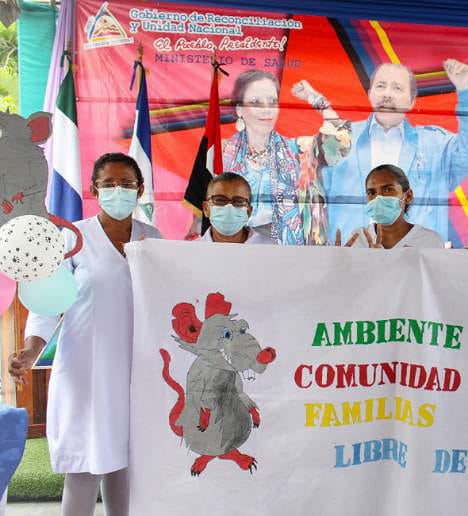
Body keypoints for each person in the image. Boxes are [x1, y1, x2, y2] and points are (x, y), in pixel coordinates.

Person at [7, 153, 162, 516]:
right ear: (94, 189)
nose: (118, 190)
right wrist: (31, 350)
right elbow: (47, 304)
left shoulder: (152, 238)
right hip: (86, 371)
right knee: (84, 464)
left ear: (140, 189)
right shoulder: (72, 238)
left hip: (136, 371)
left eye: (127, 183)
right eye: (109, 183)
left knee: (125, 464)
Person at [323, 59, 468, 241]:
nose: (387, 94)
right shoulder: (340, 139)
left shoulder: (435, 144)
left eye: (397, 88)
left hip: (416, 253)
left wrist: (464, 91)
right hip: (352, 251)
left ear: (412, 101)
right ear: (370, 94)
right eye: (381, 86)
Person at [185, 69, 350, 245]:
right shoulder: (220, 154)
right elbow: (201, 214)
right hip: (233, 253)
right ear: (239, 109)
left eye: (272, 102)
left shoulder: (299, 151)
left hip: (291, 255)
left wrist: (314, 97)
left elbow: (340, 140)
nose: (266, 109)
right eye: (256, 102)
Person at [335, 164, 442, 249]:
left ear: (408, 196)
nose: (378, 198)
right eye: (371, 192)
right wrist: (339, 263)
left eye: (388, 190)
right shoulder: (358, 238)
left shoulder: (430, 241)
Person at [199, 173, 271, 244]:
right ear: (206, 208)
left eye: (238, 201)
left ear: (249, 212)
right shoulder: (193, 249)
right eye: (220, 200)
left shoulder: (271, 248)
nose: (229, 207)